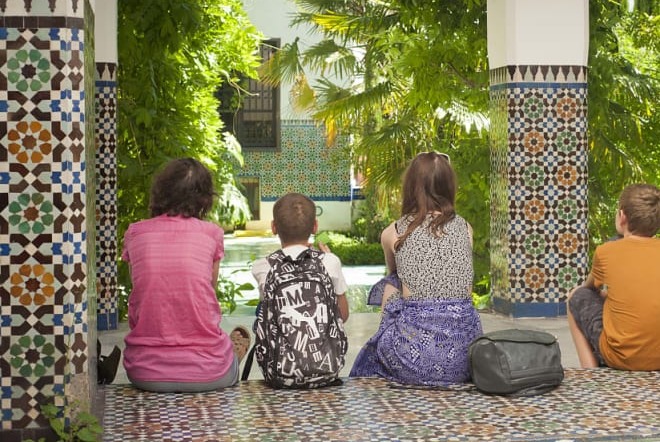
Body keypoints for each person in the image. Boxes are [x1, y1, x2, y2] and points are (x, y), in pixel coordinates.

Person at [350, 151, 482, 386]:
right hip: (466, 358)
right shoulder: (466, 228)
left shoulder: (393, 232)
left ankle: (389, 347)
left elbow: (394, 273)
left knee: (391, 281)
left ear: (410, 187)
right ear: (449, 186)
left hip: (411, 360)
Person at [122, 158, 250, 392]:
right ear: (205, 198)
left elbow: (141, 289)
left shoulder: (135, 232)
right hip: (211, 373)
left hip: (145, 373)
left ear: (160, 191)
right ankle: (234, 351)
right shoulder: (211, 234)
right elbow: (207, 290)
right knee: (227, 346)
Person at [566, 183, 660, 371]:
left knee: (576, 297)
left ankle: (589, 371)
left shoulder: (606, 251)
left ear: (622, 216)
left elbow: (589, 289)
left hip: (624, 359)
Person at [250, 193, 349, 322]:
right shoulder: (330, 261)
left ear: (274, 227)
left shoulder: (262, 266)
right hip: (324, 342)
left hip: (279, 341)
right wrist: (326, 257)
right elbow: (343, 315)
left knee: (261, 309)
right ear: (315, 227)